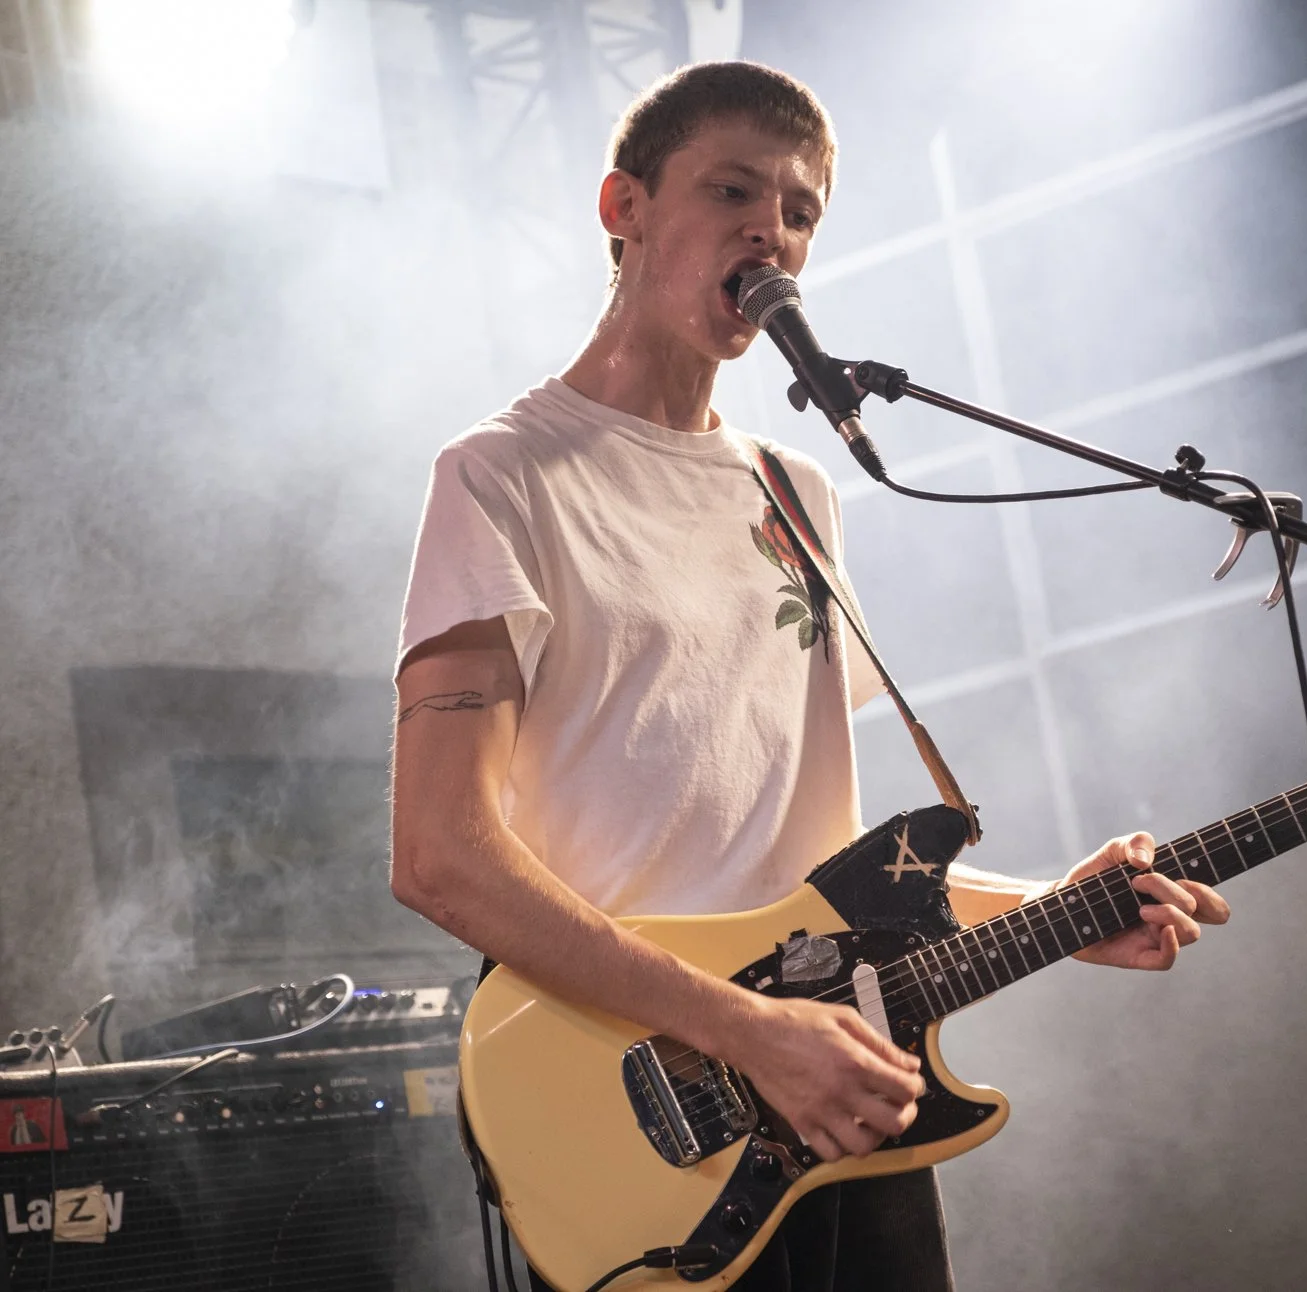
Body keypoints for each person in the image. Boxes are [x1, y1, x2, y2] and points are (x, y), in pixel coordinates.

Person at [389, 60, 1230, 1292]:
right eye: (733, 191)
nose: (770, 232)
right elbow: (439, 856)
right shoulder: (501, 475)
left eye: (799, 211)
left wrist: (1057, 905)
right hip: (648, 1109)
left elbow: (810, 882)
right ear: (625, 206)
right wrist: (746, 1028)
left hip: (836, 1092)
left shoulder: (798, 492)